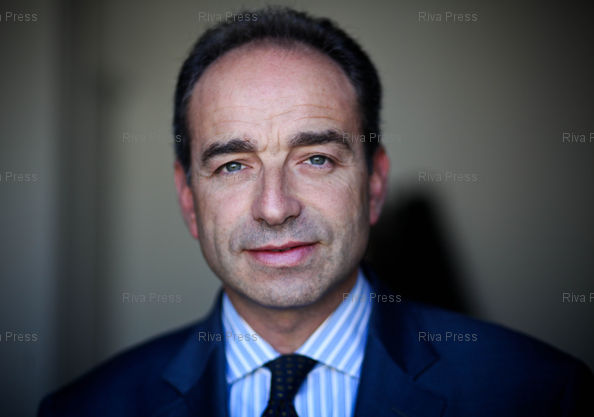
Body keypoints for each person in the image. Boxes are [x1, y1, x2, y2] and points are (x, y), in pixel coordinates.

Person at [39, 7, 593, 417]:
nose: (275, 208)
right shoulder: (86, 409)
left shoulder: (542, 394)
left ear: (374, 184)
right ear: (188, 199)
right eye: (233, 165)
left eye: (317, 159)